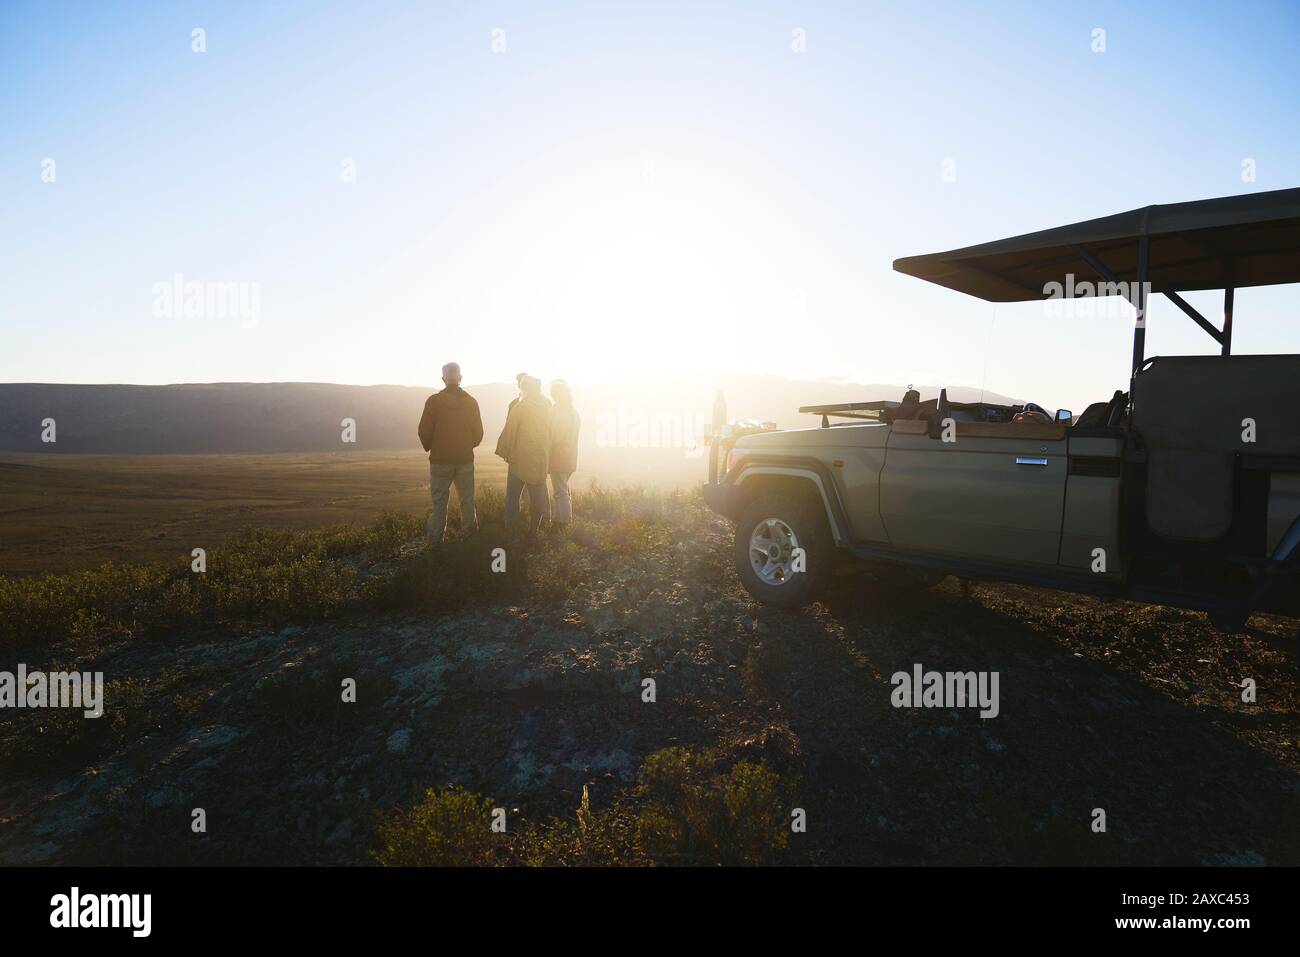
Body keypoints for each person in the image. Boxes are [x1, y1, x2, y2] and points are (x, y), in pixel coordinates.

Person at [417, 362, 484, 544]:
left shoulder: (434, 401)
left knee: (439, 503)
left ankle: (436, 540)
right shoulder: (471, 402)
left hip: (440, 460)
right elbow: (478, 433)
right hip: (464, 459)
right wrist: (466, 446)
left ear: (443, 379)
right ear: (460, 378)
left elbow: (424, 431)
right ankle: (470, 537)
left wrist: (435, 447)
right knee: (467, 501)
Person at [496, 375, 552, 535]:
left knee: (513, 497)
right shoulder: (548, 406)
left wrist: (505, 452)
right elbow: (553, 433)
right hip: (541, 458)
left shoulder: (520, 407)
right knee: (537, 498)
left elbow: (510, 432)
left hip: (519, 460)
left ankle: (511, 529)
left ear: (524, 389)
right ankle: (535, 530)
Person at [547, 380, 580, 526]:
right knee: (564, 489)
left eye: (554, 393)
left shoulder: (561, 413)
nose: (553, 396)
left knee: (560, 492)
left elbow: (555, 437)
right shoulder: (573, 411)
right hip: (570, 456)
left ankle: (564, 524)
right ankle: (559, 519)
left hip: (559, 456)